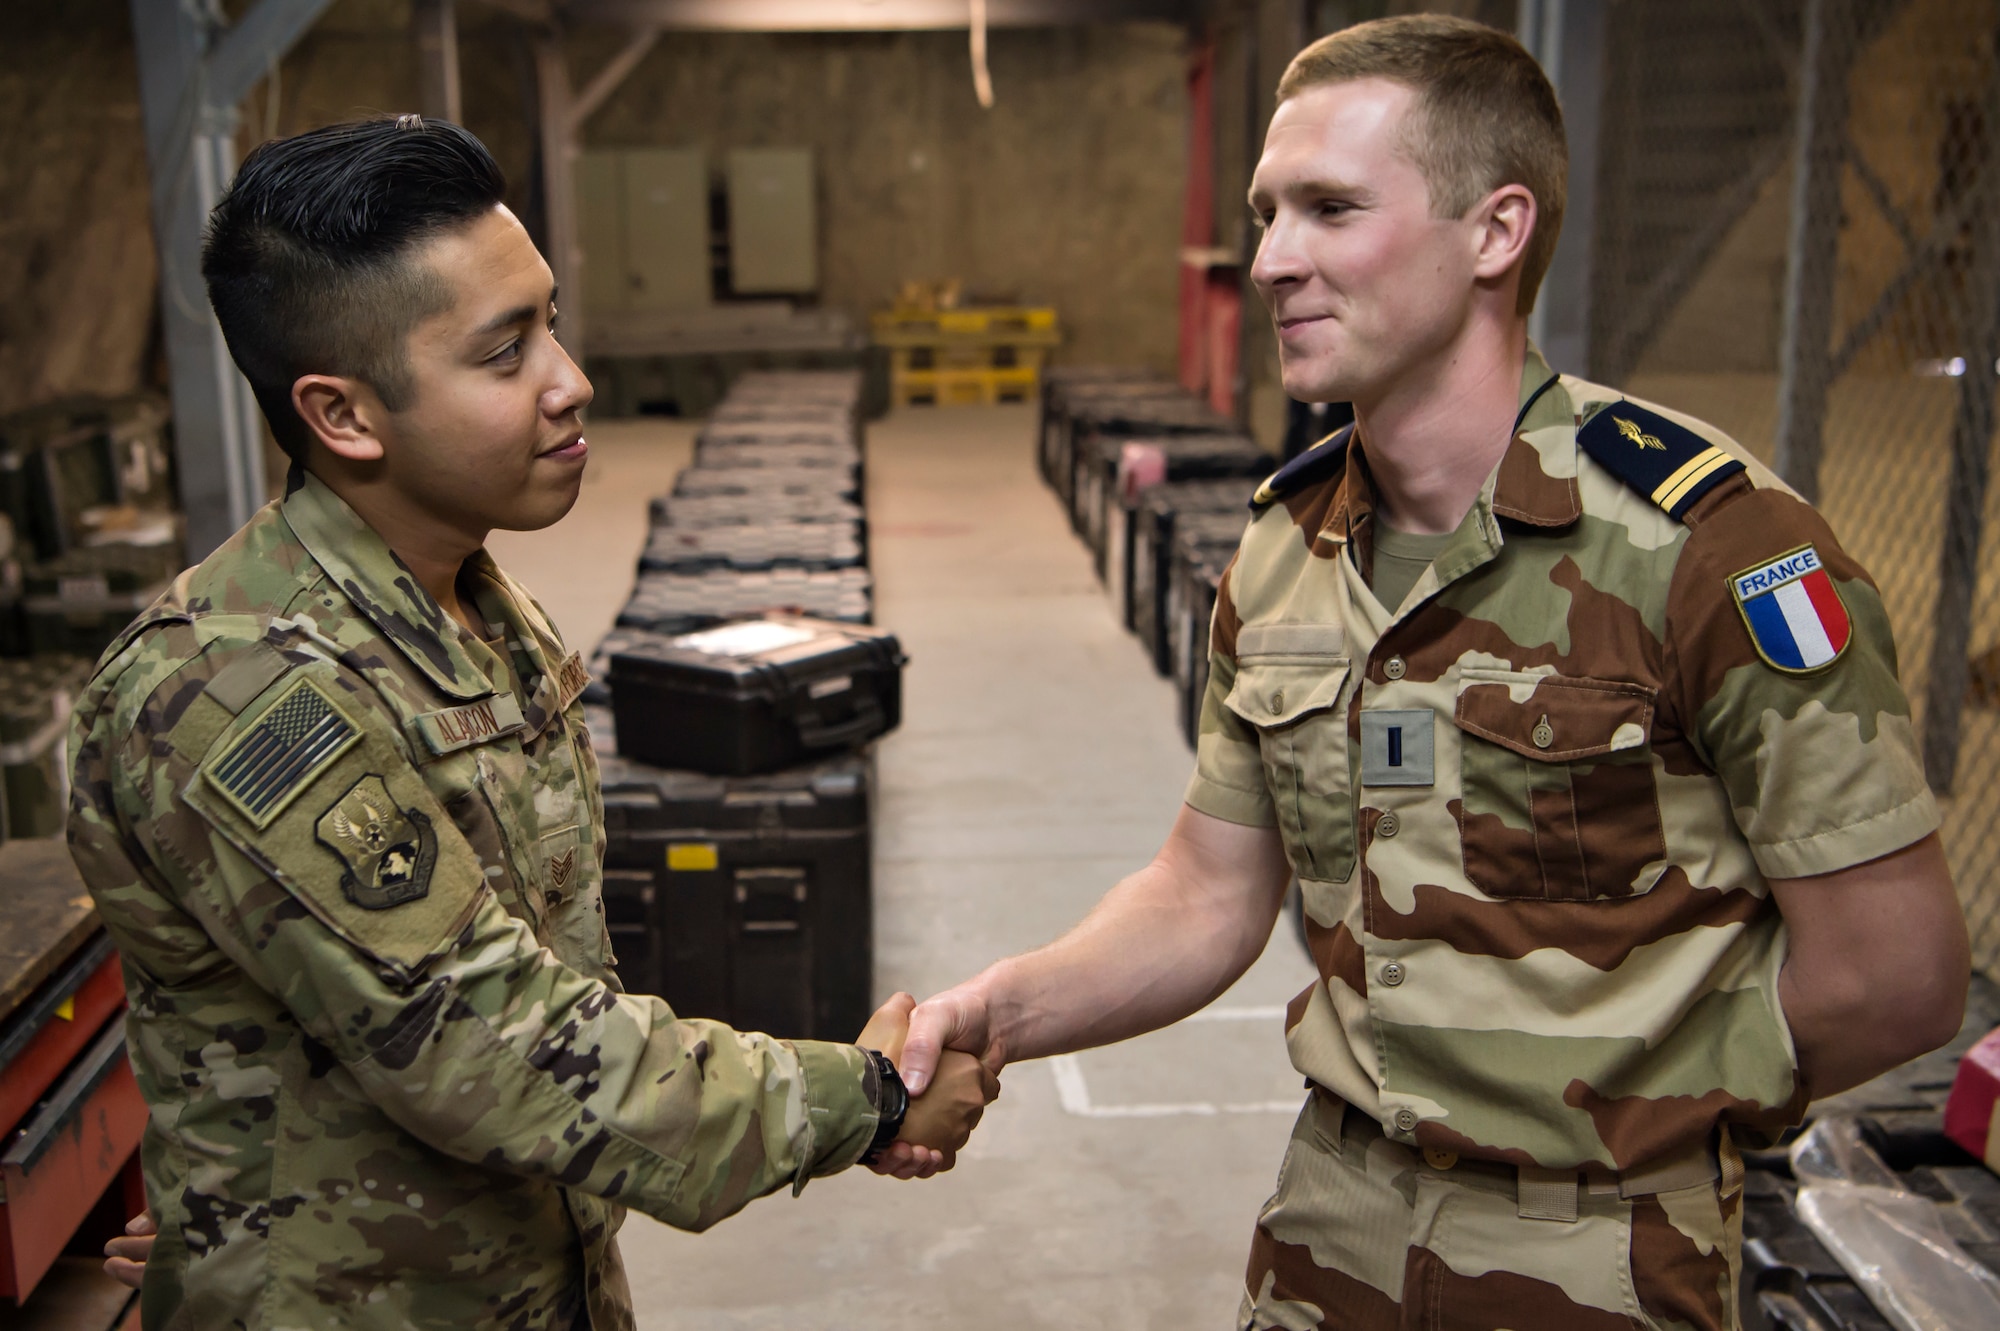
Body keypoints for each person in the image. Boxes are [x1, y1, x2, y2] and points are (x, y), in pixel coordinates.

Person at [889, 16, 1971, 1329]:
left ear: (1496, 233)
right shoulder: (1288, 549)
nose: (1275, 258)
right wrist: (1000, 1004)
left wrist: (1636, 1102)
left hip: (1604, 1250)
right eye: (1267, 211)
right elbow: (1203, 892)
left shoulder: (1713, 549)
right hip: (1330, 1215)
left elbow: (1893, 972)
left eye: (1331, 209)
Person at [69, 116, 995, 1331]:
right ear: (344, 415)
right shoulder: (239, 693)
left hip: (525, 1277)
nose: (570, 380)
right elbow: (495, 1044)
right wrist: (862, 1097)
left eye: (549, 321)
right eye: (504, 353)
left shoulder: (472, 604)